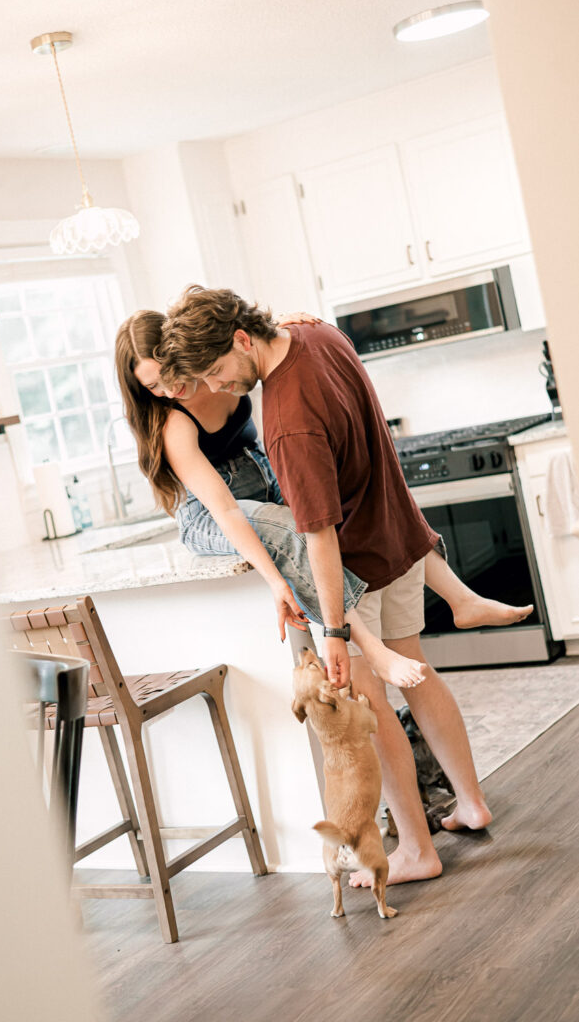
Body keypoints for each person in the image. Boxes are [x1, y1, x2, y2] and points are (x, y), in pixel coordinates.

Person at [157, 286, 531, 886]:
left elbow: (319, 537)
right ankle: (470, 801)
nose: (222, 388)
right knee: (418, 671)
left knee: (371, 708)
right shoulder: (318, 334)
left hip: (356, 568)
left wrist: (333, 631)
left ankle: (415, 849)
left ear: (242, 340)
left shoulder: (285, 420)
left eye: (219, 371)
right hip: (397, 539)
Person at [116, 310, 426, 689]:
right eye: (151, 387)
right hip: (211, 517)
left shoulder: (216, 371)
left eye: (167, 375)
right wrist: (276, 582)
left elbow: (249, 335)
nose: (166, 390)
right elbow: (227, 510)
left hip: (261, 481)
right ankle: (367, 644)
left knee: (333, 515)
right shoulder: (173, 423)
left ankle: (453, 592)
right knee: (292, 532)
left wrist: (285, 324)